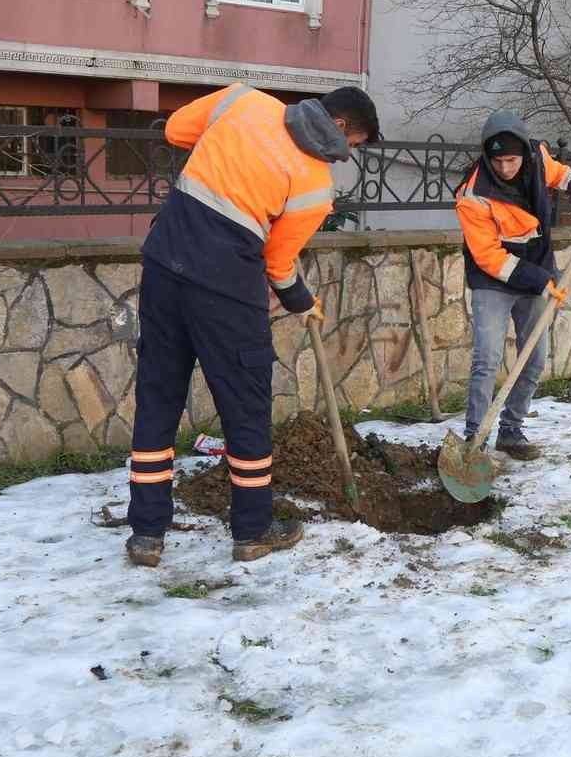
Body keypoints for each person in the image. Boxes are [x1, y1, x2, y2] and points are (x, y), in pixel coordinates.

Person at [125, 83, 380, 568]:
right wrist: (302, 302)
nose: (350, 153)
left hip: (164, 262)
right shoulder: (314, 185)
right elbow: (278, 262)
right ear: (341, 126)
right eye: (356, 142)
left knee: (158, 395)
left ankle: (146, 535)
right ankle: (252, 530)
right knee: (245, 407)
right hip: (226, 290)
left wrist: (229, 150)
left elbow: (178, 130)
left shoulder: (242, 100)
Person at [456, 112, 571, 460]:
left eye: (511, 160)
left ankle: (511, 432)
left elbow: (564, 176)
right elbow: (489, 258)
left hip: (537, 273)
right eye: (497, 161)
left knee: (535, 359)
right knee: (487, 359)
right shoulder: (473, 194)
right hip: (492, 282)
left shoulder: (539, 158)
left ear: (524, 154)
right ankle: (474, 438)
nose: (505, 168)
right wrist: (542, 280)